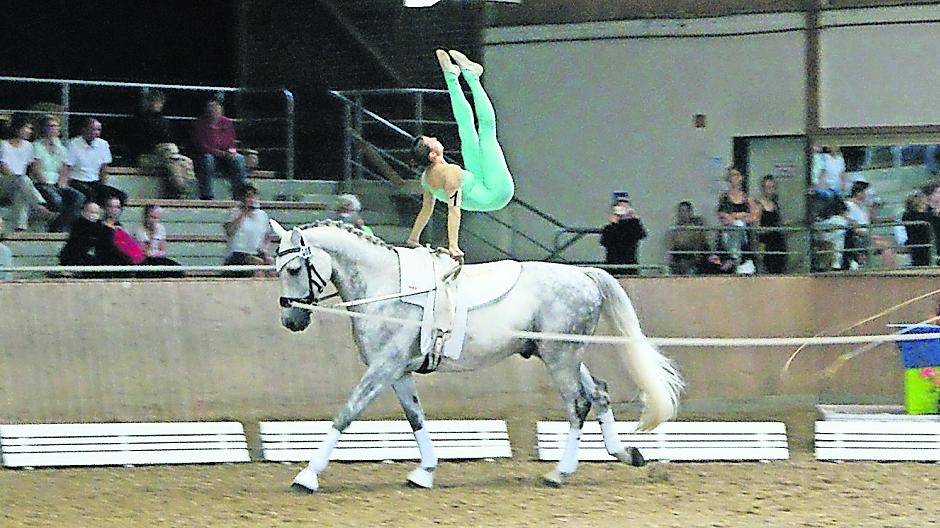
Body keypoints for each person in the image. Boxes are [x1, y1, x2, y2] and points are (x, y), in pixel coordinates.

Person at [407, 50, 515, 259]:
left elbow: (426, 210)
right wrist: (453, 246)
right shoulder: (451, 174)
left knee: (466, 129)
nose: (435, 138)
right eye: (432, 141)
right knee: (486, 130)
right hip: (497, 192)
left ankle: (452, 77)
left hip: (480, 183)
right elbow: (454, 210)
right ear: (432, 155)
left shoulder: (426, 179)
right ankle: (473, 78)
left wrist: (413, 238)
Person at [132, 90, 194, 198]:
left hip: (166, 156)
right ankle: (181, 189)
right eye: (155, 101)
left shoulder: (164, 121)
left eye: (160, 102)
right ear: (148, 102)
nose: (157, 104)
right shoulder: (139, 120)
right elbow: (139, 143)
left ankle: (183, 190)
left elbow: (173, 138)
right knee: (171, 153)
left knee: (186, 161)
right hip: (146, 157)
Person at [32, 115, 86, 232]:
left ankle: (62, 227)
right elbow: (36, 169)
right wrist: (48, 184)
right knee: (57, 200)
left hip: (58, 183)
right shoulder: (36, 146)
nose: (54, 129)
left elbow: (64, 169)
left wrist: (62, 183)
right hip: (43, 183)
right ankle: (58, 228)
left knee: (79, 197)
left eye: (56, 126)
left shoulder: (62, 148)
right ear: (44, 128)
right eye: (51, 126)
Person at [0, 114, 52, 231]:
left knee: (21, 192)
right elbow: (4, 168)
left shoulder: (29, 146)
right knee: (23, 180)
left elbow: (33, 168)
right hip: (4, 182)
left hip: (20, 185)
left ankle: (20, 228)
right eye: (27, 128)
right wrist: (18, 180)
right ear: (18, 128)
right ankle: (39, 205)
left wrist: (45, 181)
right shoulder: (3, 145)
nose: (29, 131)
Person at [191, 98, 248, 200]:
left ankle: (240, 194)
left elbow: (232, 142)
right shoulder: (199, 124)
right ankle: (207, 195)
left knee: (239, 159)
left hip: (225, 155)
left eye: (216, 109)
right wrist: (218, 153)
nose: (214, 112)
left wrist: (231, 152)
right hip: (209, 155)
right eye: (211, 109)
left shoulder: (227, 123)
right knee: (207, 160)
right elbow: (201, 145)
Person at [66, 118, 127, 205]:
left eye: (98, 130)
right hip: (77, 181)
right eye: (93, 129)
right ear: (84, 129)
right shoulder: (73, 144)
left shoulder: (103, 144)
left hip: (95, 182)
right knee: (90, 195)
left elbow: (104, 168)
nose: (96, 133)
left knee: (121, 195)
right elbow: (67, 167)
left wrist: (103, 185)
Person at [223, 184, 273, 277]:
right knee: (257, 263)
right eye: (248, 197)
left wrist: (265, 249)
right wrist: (243, 214)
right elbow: (229, 232)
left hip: (256, 252)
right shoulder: (234, 213)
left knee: (270, 265)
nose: (251, 200)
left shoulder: (262, 215)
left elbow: (267, 235)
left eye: (253, 196)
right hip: (237, 254)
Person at [844, 180, 896, 269]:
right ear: (858, 192)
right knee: (885, 245)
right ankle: (890, 270)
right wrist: (871, 236)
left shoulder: (863, 206)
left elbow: (870, 220)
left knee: (890, 243)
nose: (867, 194)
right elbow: (853, 227)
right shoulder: (848, 205)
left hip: (866, 235)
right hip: (857, 237)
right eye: (865, 192)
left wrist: (874, 208)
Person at [716, 168, 757, 274]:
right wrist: (741, 215)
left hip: (744, 237)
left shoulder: (747, 198)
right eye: (732, 175)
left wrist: (736, 216)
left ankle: (740, 260)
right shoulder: (724, 197)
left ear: (741, 178)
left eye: (736, 175)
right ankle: (732, 259)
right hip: (728, 236)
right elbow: (723, 216)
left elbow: (753, 216)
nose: (734, 178)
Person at [599, 195, 646, 275]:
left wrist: (634, 218)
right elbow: (604, 242)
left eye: (625, 208)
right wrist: (614, 223)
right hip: (612, 265)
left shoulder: (633, 226)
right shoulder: (609, 228)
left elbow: (641, 234)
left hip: (630, 265)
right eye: (619, 208)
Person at [133, 204, 182, 276]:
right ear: (146, 217)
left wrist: (157, 254)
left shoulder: (161, 228)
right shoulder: (140, 230)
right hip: (145, 260)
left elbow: (163, 250)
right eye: (151, 217)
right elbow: (144, 251)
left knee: (177, 268)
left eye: (156, 218)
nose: (153, 221)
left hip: (158, 258)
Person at [667, 201, 710, 275]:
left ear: (690, 212)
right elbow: (673, 245)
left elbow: (702, 242)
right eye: (681, 211)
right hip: (679, 258)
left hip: (695, 258)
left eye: (685, 211)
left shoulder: (697, 227)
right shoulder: (675, 229)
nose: (683, 214)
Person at [756, 175, 787, 274]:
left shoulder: (775, 204)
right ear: (763, 188)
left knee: (780, 268)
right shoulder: (759, 204)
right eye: (767, 188)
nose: (770, 190)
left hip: (778, 241)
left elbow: (778, 221)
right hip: (766, 242)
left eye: (772, 187)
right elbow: (757, 227)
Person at [59, 200, 105, 267]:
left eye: (96, 213)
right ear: (83, 213)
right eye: (91, 212)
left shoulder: (101, 228)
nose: (94, 215)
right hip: (75, 259)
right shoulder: (78, 226)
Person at [813, 199, 850, 271]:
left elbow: (817, 227)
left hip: (825, 254)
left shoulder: (826, 221)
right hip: (836, 255)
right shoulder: (840, 220)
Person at [900, 190, 933, 267]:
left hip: (920, 243)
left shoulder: (909, 215)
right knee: (922, 262)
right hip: (920, 244)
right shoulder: (910, 216)